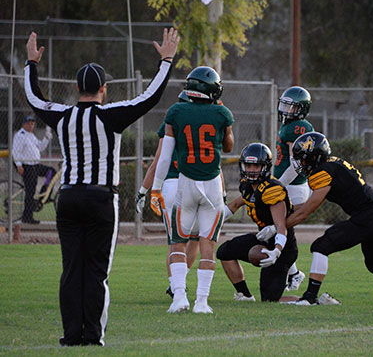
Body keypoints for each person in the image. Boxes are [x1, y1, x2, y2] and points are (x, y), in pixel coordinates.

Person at [24, 28, 179, 346]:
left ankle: (70, 335)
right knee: (96, 271)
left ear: (76, 87)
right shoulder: (111, 116)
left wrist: (31, 64)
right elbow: (149, 97)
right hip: (99, 198)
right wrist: (166, 60)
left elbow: (34, 98)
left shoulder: (62, 116)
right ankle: (92, 335)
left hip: (67, 198)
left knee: (71, 269)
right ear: (104, 90)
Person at [260, 131, 373, 306]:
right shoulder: (331, 165)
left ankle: (310, 297)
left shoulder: (322, 172)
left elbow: (306, 212)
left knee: (320, 246)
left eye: (302, 159)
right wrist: (283, 211)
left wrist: (277, 228)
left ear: (314, 157)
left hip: (367, 217)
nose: (300, 163)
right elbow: (305, 206)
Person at [151, 66, 234, 314]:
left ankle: (179, 298)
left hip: (184, 185)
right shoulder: (222, 113)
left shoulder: (176, 111)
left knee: (178, 243)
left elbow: (165, 157)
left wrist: (155, 189)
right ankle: (202, 302)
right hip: (212, 187)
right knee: (207, 244)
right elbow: (229, 147)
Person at [217, 143, 302, 303]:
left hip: (283, 248)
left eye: (256, 165)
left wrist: (276, 251)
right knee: (224, 252)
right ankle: (245, 295)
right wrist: (212, 224)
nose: (251, 169)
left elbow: (281, 227)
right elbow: (235, 205)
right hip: (263, 239)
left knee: (270, 300)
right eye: (248, 165)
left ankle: (309, 300)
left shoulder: (272, 189)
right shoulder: (247, 185)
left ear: (265, 166)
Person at [135, 121, 200, 303]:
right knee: (195, 238)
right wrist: (222, 192)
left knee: (175, 241)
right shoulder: (207, 116)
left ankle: (175, 285)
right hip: (199, 184)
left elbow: (158, 162)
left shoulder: (173, 119)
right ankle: (185, 285)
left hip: (172, 184)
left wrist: (143, 191)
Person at [263, 86, 314, 291]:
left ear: (301, 109)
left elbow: (296, 163)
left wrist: (278, 185)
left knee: (279, 230)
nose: (285, 110)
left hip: (292, 186)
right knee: (279, 230)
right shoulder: (290, 126)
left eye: (290, 107)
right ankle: (293, 273)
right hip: (288, 185)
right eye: (284, 105)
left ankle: (290, 274)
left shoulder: (298, 127)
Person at [12, 115, 55, 224]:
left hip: (35, 164)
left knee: (51, 172)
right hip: (27, 165)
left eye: (32, 123)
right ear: (23, 124)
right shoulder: (20, 135)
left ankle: (43, 196)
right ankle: (27, 217)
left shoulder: (31, 135)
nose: (31, 125)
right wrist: (19, 165)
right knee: (30, 191)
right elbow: (16, 151)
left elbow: (40, 147)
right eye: (28, 123)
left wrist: (46, 138)